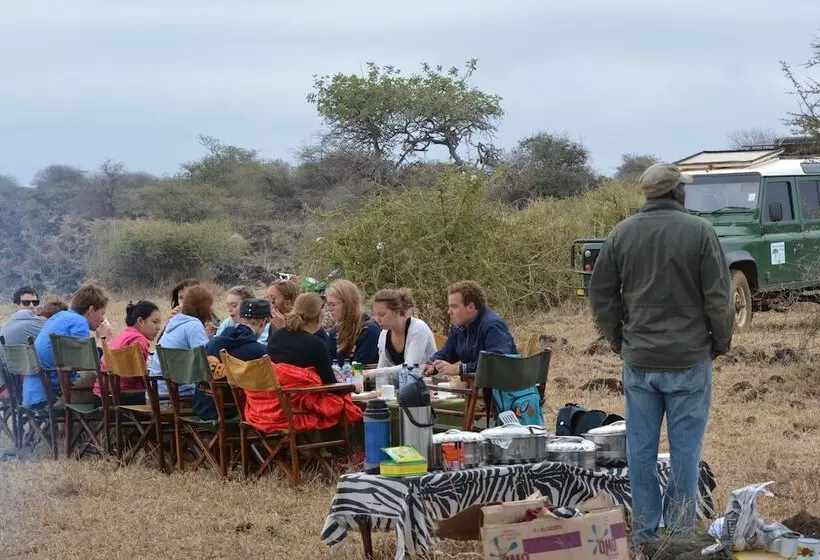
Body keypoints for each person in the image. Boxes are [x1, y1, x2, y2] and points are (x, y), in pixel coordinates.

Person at [588, 162, 733, 547]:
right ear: (676, 192)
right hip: (689, 360)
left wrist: (621, 339)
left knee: (640, 450)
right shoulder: (700, 231)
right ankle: (681, 534)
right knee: (685, 452)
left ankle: (645, 534)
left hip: (640, 361)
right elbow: (719, 298)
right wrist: (719, 343)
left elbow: (601, 296)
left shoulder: (621, 233)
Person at [26, 284, 110, 407]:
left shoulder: (59, 316)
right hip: (53, 394)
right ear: (91, 310)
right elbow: (88, 365)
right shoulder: (79, 322)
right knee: (104, 381)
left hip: (35, 393)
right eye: (102, 314)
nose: (102, 319)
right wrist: (102, 341)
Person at [195, 298, 271, 420]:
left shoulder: (214, 342)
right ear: (263, 322)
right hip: (231, 413)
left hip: (201, 407)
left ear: (240, 319)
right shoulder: (259, 352)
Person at [422, 281, 517, 377]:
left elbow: (498, 362)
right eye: (449, 307)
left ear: (471, 307)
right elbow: (447, 352)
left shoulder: (492, 326)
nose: (449, 312)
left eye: (454, 306)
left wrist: (460, 369)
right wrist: (431, 365)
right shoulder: (460, 326)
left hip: (501, 388)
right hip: (476, 387)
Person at [149, 285, 213, 404]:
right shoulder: (194, 326)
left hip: (156, 398)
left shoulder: (173, 324)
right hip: (179, 399)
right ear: (204, 308)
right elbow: (206, 363)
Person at [92, 301, 162, 408]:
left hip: (101, 397)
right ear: (140, 321)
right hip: (125, 400)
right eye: (155, 322)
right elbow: (138, 377)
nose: (158, 327)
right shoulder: (138, 340)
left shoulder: (121, 336)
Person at [367, 288, 436, 386]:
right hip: (402, 389)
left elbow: (410, 367)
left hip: (427, 388)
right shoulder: (383, 335)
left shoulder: (418, 328)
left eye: (382, 314)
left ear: (397, 312)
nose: (377, 319)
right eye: (374, 315)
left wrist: (369, 373)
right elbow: (381, 371)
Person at [267, 293, 336, 385]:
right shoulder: (316, 344)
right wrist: (354, 387)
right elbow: (330, 383)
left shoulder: (276, 337)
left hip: (279, 397)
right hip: (306, 397)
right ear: (319, 317)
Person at [325, 279, 380, 367]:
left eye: (333, 304)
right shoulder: (334, 332)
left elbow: (359, 366)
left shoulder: (369, 331)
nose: (329, 309)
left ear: (348, 304)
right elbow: (328, 364)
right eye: (328, 304)